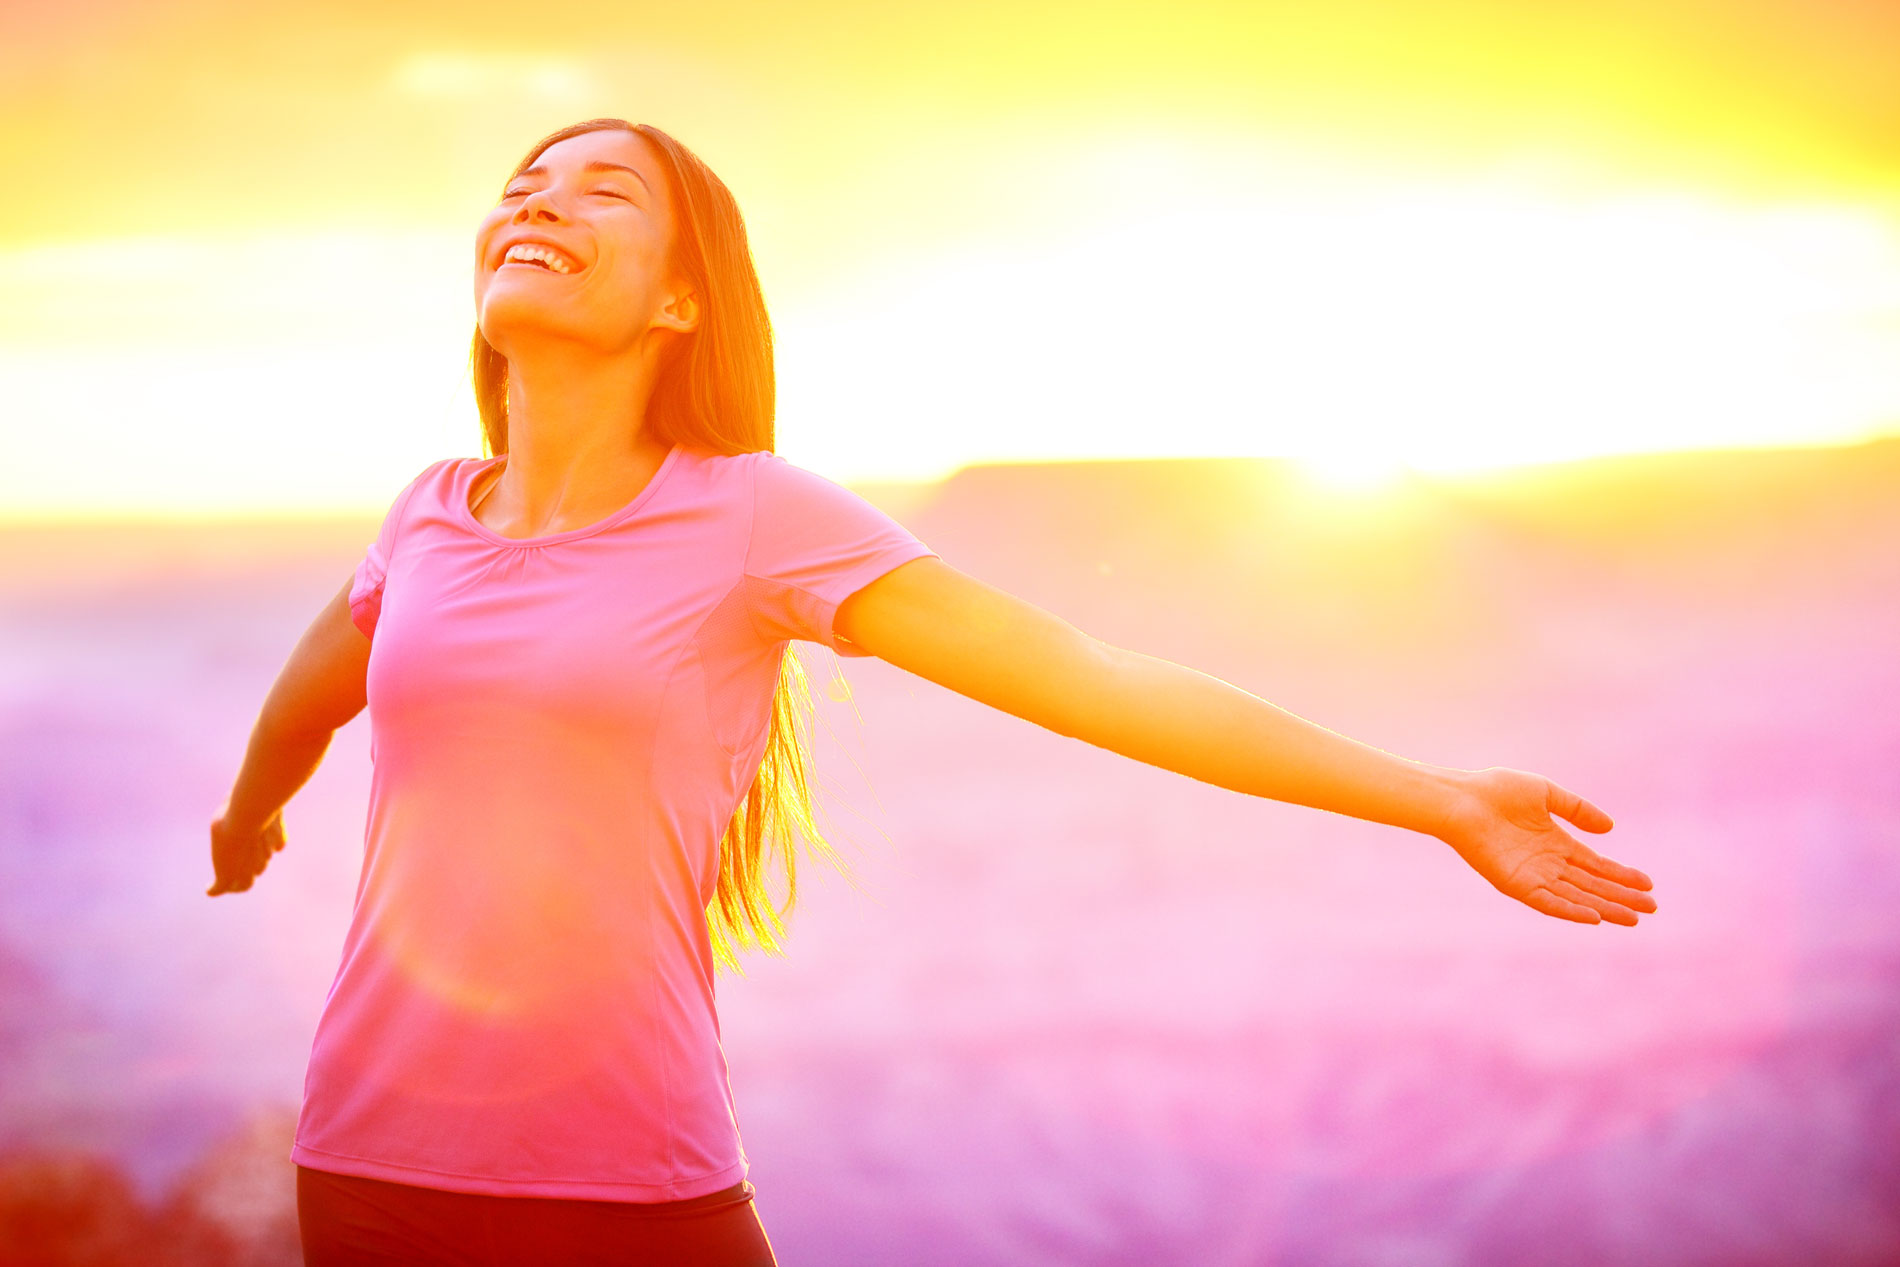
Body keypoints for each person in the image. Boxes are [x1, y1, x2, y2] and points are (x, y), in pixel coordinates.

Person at [205, 117, 1656, 1266]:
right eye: (524, 183)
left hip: (623, 1191)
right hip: (367, 1169)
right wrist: (248, 815)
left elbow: (1089, 680)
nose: (538, 202)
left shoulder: (755, 516)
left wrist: (1440, 801)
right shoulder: (427, 512)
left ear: (682, 299)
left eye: (600, 193)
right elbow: (318, 684)